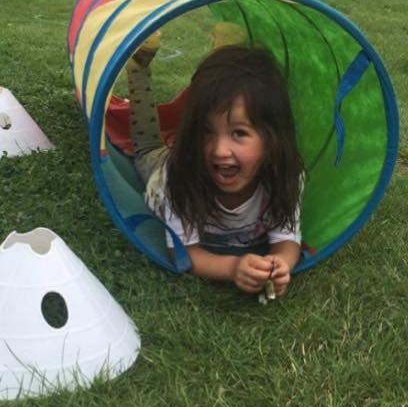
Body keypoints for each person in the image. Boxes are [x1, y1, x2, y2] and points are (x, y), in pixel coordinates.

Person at [125, 34, 304, 297]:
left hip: (191, 157)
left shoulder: (284, 176)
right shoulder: (176, 178)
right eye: (206, 131)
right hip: (173, 165)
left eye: (239, 133)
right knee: (146, 148)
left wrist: (280, 264)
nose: (219, 151)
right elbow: (183, 252)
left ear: (272, 139)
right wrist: (233, 268)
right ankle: (138, 68)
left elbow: (287, 238)